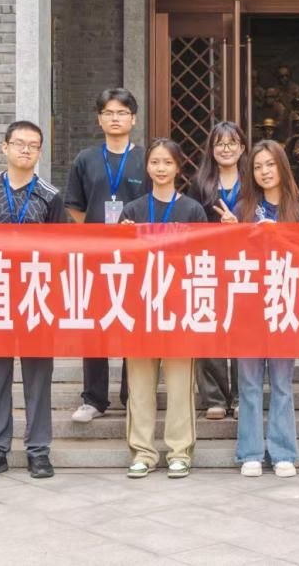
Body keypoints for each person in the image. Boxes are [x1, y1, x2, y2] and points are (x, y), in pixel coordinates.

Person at [0, 120, 67, 481]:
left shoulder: (50, 195)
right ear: (4, 147)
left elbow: (62, 249)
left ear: (40, 152)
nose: (26, 150)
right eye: (19, 143)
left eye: (33, 145)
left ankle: (38, 450)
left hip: (36, 295)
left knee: (38, 377)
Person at [118, 137, 210, 479]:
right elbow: (118, 261)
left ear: (179, 167)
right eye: (155, 162)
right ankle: (142, 452)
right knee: (140, 387)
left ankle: (179, 452)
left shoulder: (193, 211)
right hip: (140, 309)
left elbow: (205, 257)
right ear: (147, 167)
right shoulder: (132, 211)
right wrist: (121, 238)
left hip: (178, 309)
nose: (160, 168)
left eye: (167, 163)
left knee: (180, 386)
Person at [236, 139, 299, 478]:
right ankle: (250, 452)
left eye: (270, 164)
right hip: (249, 306)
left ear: (282, 167)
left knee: (282, 382)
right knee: (249, 383)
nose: (264, 172)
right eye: (258, 167)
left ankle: (283, 451)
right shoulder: (242, 209)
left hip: (286, 304)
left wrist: (278, 235)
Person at [65, 88, 147, 424]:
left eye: (122, 113)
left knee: (133, 323)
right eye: (109, 113)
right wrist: (97, 233)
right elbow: (74, 205)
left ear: (133, 119)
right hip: (96, 256)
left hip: (135, 256)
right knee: (95, 325)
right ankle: (94, 398)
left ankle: (132, 395)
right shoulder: (85, 159)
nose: (115, 118)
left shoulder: (146, 158)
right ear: (99, 119)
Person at [188, 121, 249, 421]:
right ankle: (213, 397)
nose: (226, 149)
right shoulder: (200, 183)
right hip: (208, 263)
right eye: (220, 144)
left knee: (242, 330)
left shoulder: (252, 181)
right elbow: (191, 222)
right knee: (209, 326)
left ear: (242, 147)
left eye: (232, 143)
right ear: (211, 149)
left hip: (245, 264)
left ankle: (240, 396)